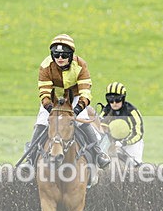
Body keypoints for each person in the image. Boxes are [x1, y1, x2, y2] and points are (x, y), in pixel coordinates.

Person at [23, 34, 110, 168]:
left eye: (64, 55)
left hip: (74, 98)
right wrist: (50, 110)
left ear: (71, 55)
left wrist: (77, 109)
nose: (60, 59)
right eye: (56, 55)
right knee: (41, 122)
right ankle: (30, 159)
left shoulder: (81, 65)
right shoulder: (45, 66)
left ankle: (98, 154)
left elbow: (85, 92)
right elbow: (44, 92)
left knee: (83, 120)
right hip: (53, 100)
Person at [100, 81, 144, 164]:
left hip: (131, 142)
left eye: (117, 100)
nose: (114, 103)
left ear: (123, 98)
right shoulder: (106, 110)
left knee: (134, 164)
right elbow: (101, 127)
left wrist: (124, 142)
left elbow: (138, 133)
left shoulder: (132, 111)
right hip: (112, 142)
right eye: (110, 100)